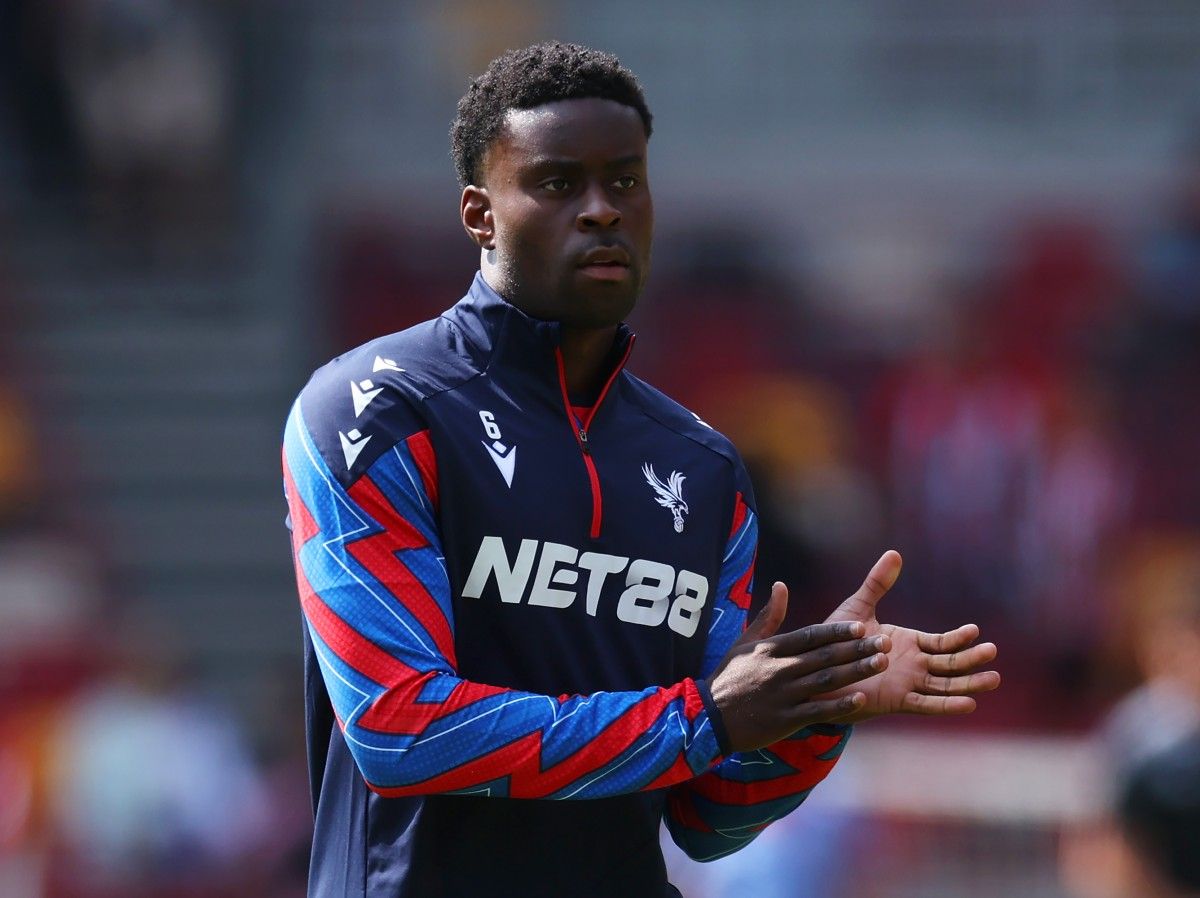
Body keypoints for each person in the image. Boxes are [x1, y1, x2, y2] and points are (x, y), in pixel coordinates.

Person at [281, 41, 1000, 898]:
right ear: (480, 214)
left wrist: (811, 706)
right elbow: (398, 729)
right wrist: (705, 718)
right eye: (557, 183)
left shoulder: (703, 468)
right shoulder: (375, 412)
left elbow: (706, 818)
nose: (601, 211)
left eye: (624, 181)